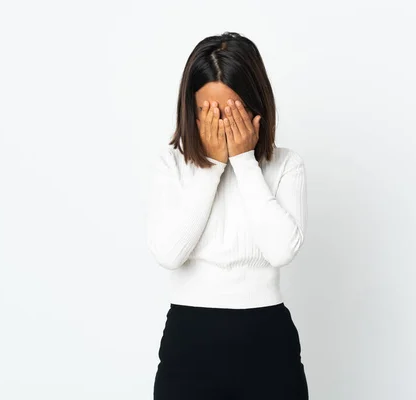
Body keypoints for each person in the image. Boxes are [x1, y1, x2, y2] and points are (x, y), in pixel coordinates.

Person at [146, 31, 309, 400]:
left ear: (255, 107)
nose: (222, 124)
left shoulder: (285, 165)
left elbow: (281, 250)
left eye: (232, 111)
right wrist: (212, 166)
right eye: (210, 112)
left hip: (267, 338)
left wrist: (242, 161)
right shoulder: (171, 165)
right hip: (190, 340)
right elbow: (168, 254)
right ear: (191, 109)